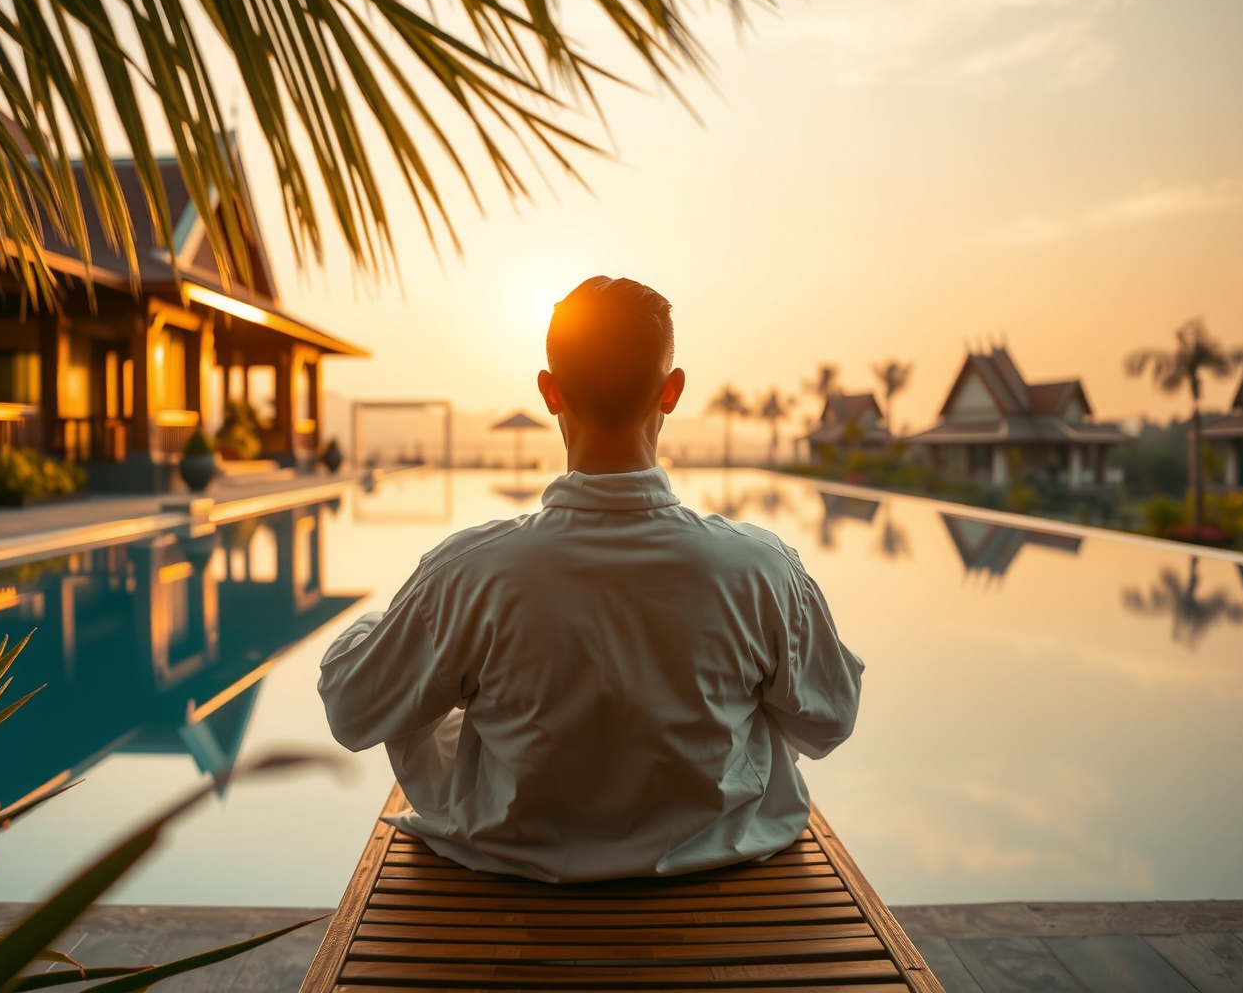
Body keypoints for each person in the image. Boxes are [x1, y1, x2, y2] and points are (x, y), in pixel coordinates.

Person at [318, 276, 864, 883]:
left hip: (509, 866)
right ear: (672, 391)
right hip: (719, 867)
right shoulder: (760, 570)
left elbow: (353, 712)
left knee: (422, 677)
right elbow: (830, 718)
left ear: (549, 392)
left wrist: (372, 630)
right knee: (764, 694)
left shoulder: (468, 575)